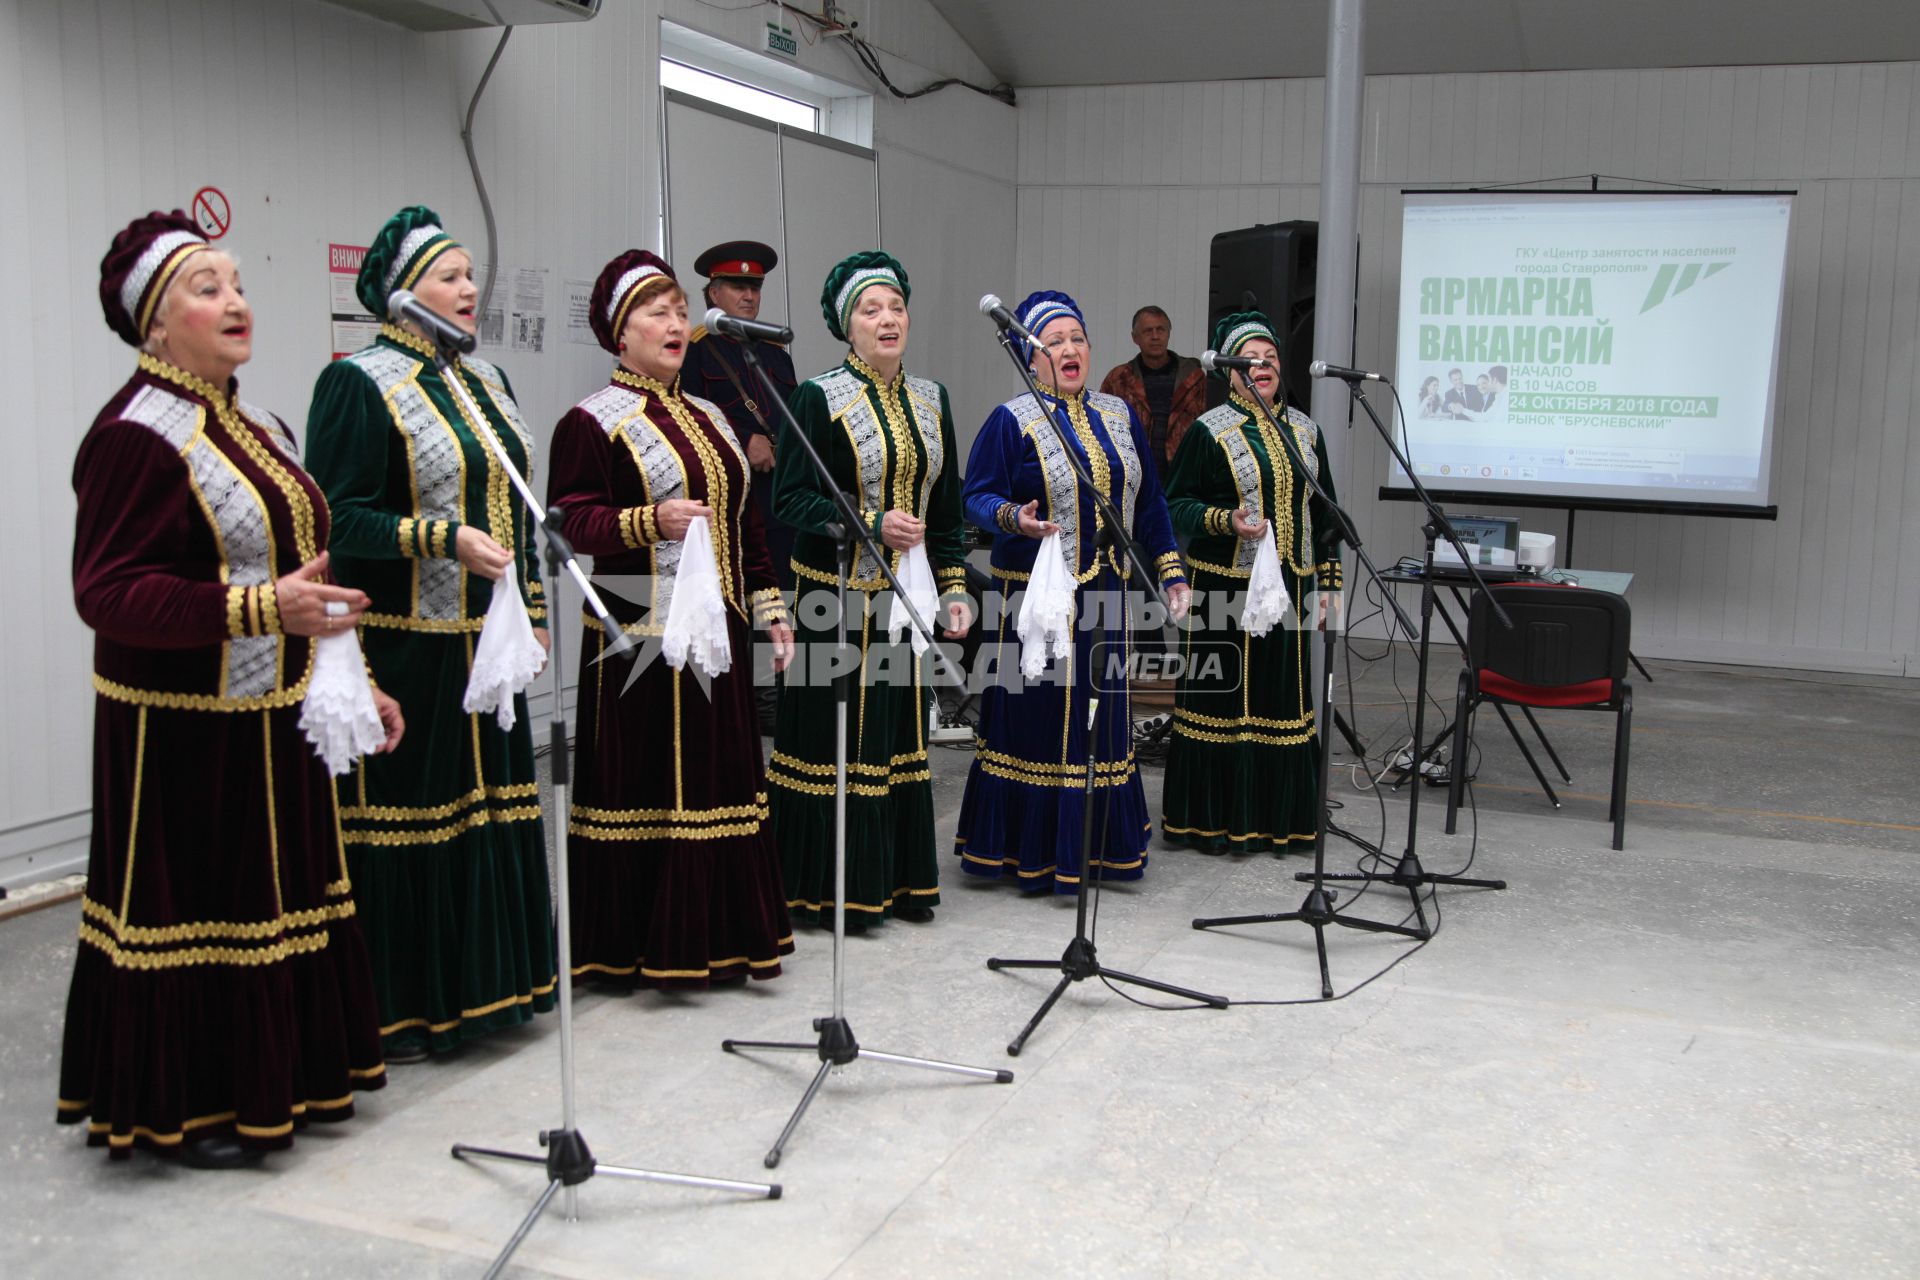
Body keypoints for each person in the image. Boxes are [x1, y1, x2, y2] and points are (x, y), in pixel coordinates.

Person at [59, 211, 403, 1166]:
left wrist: (354, 676)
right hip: (184, 739)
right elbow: (110, 593)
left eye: (238, 284)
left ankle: (283, 1077)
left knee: (277, 902)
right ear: (153, 326)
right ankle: (196, 1106)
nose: (236, 302)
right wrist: (258, 612)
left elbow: (308, 571)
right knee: (208, 915)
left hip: (273, 719)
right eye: (206, 289)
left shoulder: (261, 422)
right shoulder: (134, 436)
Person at [304, 206, 555, 1059]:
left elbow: (519, 510)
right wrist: (438, 538)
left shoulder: (487, 383)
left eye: (470, 276)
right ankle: (407, 1009)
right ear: (402, 292)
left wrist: (537, 608)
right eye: (450, 277)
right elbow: (337, 519)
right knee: (418, 819)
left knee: (491, 813)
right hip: (408, 639)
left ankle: (493, 993)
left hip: (488, 640)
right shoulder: (360, 380)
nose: (469, 290)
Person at [546, 249, 797, 987]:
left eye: (681, 311)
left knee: (721, 782)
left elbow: (743, 522)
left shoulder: (714, 416)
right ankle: (635, 947)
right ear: (620, 334)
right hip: (635, 635)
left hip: (715, 631)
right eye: (656, 312)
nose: (675, 322)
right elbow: (570, 524)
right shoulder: (591, 422)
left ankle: (724, 939)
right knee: (650, 784)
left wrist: (770, 601)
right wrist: (646, 521)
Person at [955, 290, 1190, 893]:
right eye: (1053, 342)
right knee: (1039, 720)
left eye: (1077, 339)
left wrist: (1170, 571)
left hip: (1106, 597)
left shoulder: (1119, 416)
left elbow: (1152, 504)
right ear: (1030, 358)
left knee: (1101, 722)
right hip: (1033, 601)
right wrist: (1015, 518)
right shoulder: (1011, 420)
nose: (1069, 350)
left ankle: (1096, 850)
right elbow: (974, 496)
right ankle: (1027, 852)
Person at [769, 251, 971, 929]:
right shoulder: (818, 397)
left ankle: (897, 885)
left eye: (895, 307)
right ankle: (828, 892)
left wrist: (954, 587)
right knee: (837, 741)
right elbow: (789, 498)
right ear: (845, 326)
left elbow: (945, 513)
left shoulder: (932, 398)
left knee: (895, 738)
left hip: (902, 604)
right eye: (869, 309)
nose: (887, 319)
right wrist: (862, 522)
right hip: (832, 601)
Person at [1160, 311, 1343, 856]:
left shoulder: (1307, 431)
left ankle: (1278, 821)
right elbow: (1176, 507)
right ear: (1231, 372)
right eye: (1249, 359)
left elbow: (1328, 515)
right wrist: (1226, 520)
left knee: (1281, 701)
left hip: (1292, 588)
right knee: (1223, 703)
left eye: (1270, 358)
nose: (1260, 367)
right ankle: (1213, 823)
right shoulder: (1208, 430)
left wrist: (1329, 583)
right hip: (1223, 590)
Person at [681, 240, 797, 590]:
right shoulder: (696, 349)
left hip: (780, 499)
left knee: (784, 604)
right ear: (714, 294)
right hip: (731, 500)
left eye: (755, 288)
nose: (749, 295)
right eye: (738, 287)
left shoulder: (777, 353)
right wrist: (743, 439)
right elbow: (687, 416)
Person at [1098, 305, 1207, 474]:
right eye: (1148, 331)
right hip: (1135, 473)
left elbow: (1209, 425)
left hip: (1185, 473)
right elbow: (1101, 429)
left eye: (1160, 330)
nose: (1155, 336)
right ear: (1135, 338)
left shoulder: (1194, 377)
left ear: (1168, 333)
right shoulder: (1118, 379)